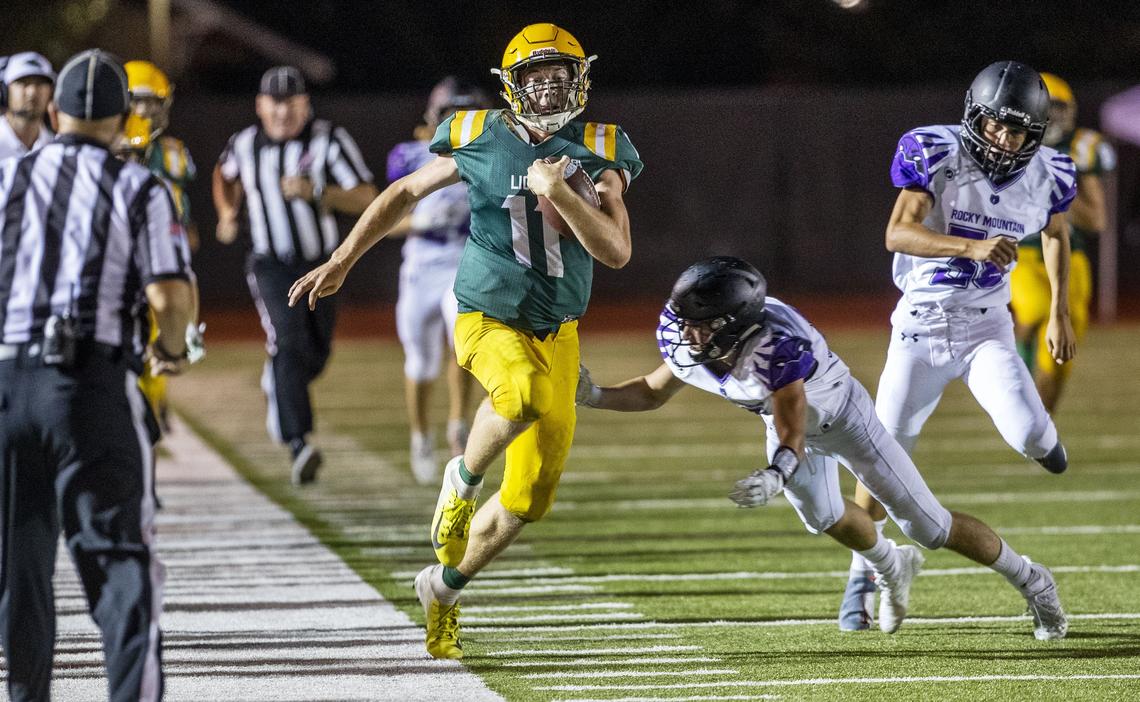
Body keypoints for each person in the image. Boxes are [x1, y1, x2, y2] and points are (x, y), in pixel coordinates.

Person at [288, 23, 643, 658]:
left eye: (560, 76)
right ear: (514, 88)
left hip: (560, 331)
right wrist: (344, 258)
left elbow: (615, 251)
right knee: (523, 395)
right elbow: (404, 191)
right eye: (537, 79)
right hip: (487, 315)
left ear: (579, 80)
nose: (550, 89)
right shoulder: (478, 134)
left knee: (528, 502)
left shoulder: (601, 145)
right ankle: (462, 474)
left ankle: (444, 588)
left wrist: (561, 189)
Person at [578, 256, 1068, 641]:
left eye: (701, 325)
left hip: (845, 421)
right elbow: (651, 389)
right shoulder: (690, 336)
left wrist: (777, 471)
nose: (687, 333)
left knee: (929, 526)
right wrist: (595, 395)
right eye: (685, 319)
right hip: (787, 423)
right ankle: (890, 566)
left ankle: (1032, 580)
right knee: (824, 517)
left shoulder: (776, 344)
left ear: (735, 322)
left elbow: (792, 420)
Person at [839, 61, 1078, 631]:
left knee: (1029, 436)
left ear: (1036, 134)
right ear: (974, 116)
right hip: (919, 330)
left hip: (987, 329)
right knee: (879, 461)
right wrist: (969, 248)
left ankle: (1042, 437)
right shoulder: (935, 151)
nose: (1002, 138)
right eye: (994, 124)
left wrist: (1060, 310)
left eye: (1017, 129)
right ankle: (858, 580)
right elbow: (897, 233)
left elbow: (1056, 232)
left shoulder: (1050, 173)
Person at [0, 48, 196, 701]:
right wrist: (170, 348)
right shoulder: (137, 185)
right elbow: (170, 296)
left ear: (54, 111)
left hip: (4, 387)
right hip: (85, 386)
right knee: (121, 571)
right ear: (121, 121)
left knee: (17, 577)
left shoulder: (5, 179)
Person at [213, 65, 378, 485]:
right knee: (287, 341)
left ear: (305, 105)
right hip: (271, 262)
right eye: (275, 103)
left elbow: (367, 197)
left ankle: (280, 384)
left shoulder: (329, 140)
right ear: (260, 106)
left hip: (322, 262)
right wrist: (227, 211)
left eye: (291, 103)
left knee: (316, 353)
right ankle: (299, 442)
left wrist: (319, 192)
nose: (283, 112)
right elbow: (223, 174)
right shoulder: (244, 143)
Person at [386, 77, 488, 484]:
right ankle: (419, 434)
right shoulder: (409, 155)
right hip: (420, 266)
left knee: (464, 342)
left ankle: (458, 423)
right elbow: (386, 217)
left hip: (463, 263)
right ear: (433, 117)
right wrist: (421, 220)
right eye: (450, 114)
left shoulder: (485, 155)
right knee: (421, 362)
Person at [1011, 72, 1114, 412]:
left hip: (1072, 256)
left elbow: (1096, 219)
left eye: (1059, 109)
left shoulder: (1080, 148)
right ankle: (1015, 360)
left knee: (1059, 360)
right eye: (1047, 109)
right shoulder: (1007, 142)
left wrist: (1055, 193)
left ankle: (1042, 427)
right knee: (1037, 306)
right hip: (1023, 252)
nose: (1055, 117)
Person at [118, 59, 202, 434]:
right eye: (139, 101)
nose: (148, 112)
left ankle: (152, 405)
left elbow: (178, 203)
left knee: (161, 334)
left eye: (155, 103)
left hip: (160, 259)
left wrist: (185, 228)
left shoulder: (172, 153)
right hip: (117, 261)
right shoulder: (105, 145)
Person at [0, 52, 55, 162]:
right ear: (4, 91)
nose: (32, 92)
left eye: (40, 84)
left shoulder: (55, 148)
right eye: (23, 83)